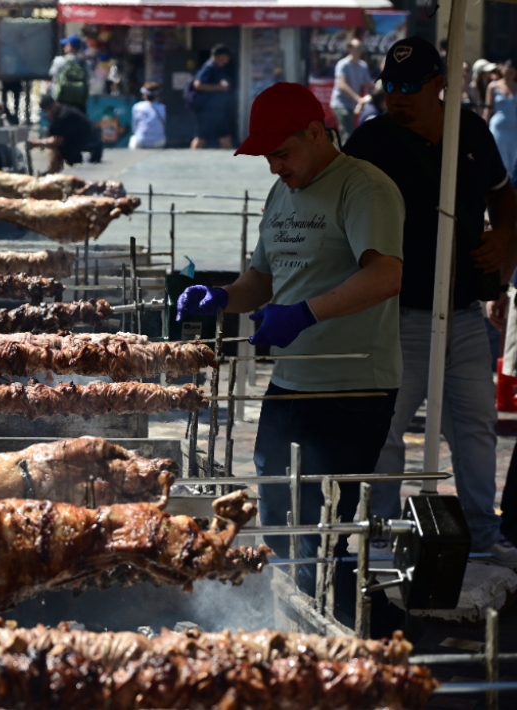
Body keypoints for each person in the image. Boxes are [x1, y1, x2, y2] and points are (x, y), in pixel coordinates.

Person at [177, 82, 406, 619]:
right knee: (279, 518)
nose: (274, 167)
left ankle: (356, 638)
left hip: (354, 385)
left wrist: (303, 314)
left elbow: (387, 275)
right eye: (266, 157)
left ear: (315, 132)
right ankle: (295, 624)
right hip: (292, 382)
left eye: (281, 153)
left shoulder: (364, 188)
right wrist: (222, 297)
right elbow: (261, 279)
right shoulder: (283, 192)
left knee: (320, 533)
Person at [342, 37, 517, 567]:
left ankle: (483, 535)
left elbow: (504, 195)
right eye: (388, 86)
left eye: (408, 87)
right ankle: (379, 532)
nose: (396, 97)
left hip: (462, 312)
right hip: (395, 315)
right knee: (387, 430)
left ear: (439, 85)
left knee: (475, 427)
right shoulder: (370, 140)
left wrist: (504, 240)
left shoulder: (472, 131)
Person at [30, 94, 91, 173]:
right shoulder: (63, 111)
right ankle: (52, 171)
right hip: (82, 147)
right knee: (53, 145)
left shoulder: (64, 115)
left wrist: (36, 143)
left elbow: (58, 140)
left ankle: (52, 172)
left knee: (54, 146)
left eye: (49, 109)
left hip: (88, 152)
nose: (48, 112)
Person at [190, 44, 233, 150]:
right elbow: (198, 84)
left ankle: (231, 161)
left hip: (216, 109)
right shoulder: (209, 67)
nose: (229, 58)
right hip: (207, 109)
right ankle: (191, 159)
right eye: (227, 55)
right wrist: (219, 87)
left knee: (224, 135)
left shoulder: (219, 68)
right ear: (221, 56)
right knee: (202, 137)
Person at [330, 39, 373, 140]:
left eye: (361, 48)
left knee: (347, 132)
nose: (360, 50)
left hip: (352, 105)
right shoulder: (342, 64)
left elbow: (369, 85)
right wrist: (358, 98)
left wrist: (374, 97)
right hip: (340, 103)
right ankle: (345, 155)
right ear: (350, 49)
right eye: (357, 48)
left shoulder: (363, 66)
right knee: (348, 134)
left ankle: (336, 153)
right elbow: (342, 85)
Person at [486, 60, 517, 186]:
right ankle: (502, 190)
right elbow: (488, 109)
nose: (509, 74)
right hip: (498, 127)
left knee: (513, 161)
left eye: (512, 72)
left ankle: (512, 191)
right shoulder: (493, 86)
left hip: (514, 128)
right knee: (501, 160)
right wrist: (484, 127)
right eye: (507, 71)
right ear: (502, 70)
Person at [129, 81, 166, 149]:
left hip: (141, 140)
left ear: (145, 95)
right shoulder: (162, 108)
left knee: (133, 139)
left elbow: (134, 126)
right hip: (158, 141)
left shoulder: (137, 107)